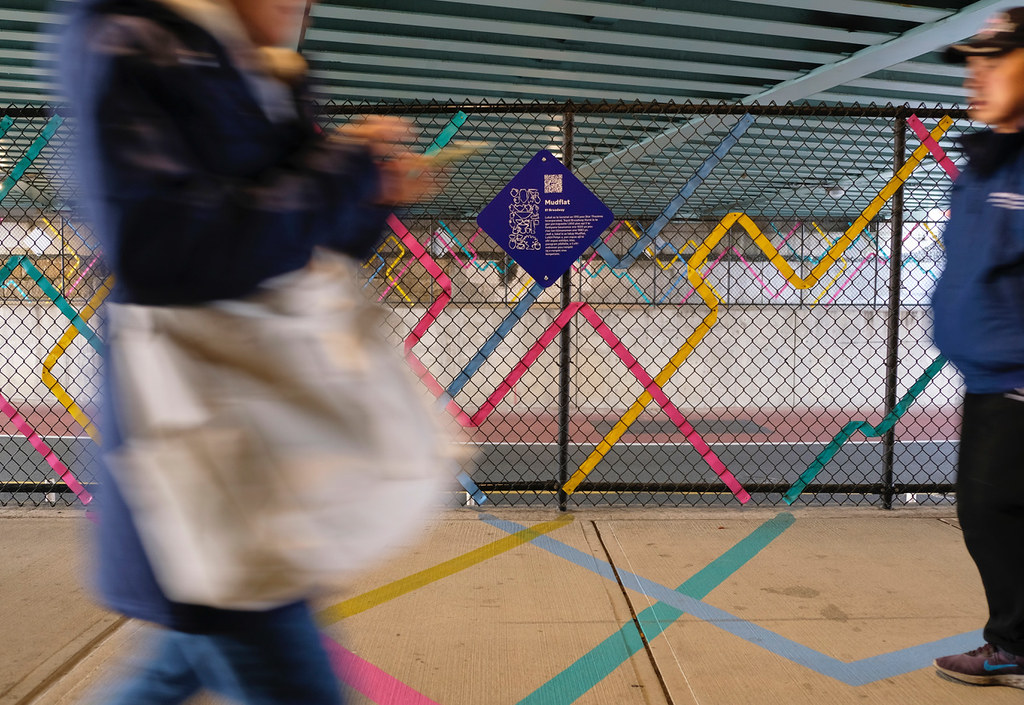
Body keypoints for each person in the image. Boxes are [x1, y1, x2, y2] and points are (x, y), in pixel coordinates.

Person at [58, 0, 439, 702]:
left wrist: (374, 191)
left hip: (260, 438)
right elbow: (165, 246)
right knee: (251, 640)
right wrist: (343, 171)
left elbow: (305, 237)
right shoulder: (127, 38)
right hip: (203, 444)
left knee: (183, 654)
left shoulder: (261, 67)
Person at [931, 7, 1024, 691]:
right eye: (971, 63)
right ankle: (1012, 642)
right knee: (987, 509)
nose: (976, 76)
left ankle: (1014, 645)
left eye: (995, 59)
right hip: (988, 376)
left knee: (991, 508)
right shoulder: (984, 164)